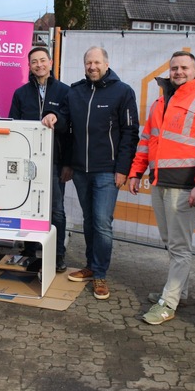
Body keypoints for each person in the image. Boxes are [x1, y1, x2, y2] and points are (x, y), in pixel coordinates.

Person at [128, 51, 195, 324]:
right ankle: (179, 291)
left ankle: (168, 302)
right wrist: (136, 172)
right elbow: (147, 141)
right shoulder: (160, 101)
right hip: (161, 182)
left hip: (186, 187)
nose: (178, 72)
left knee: (180, 247)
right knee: (170, 243)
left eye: (184, 67)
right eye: (174, 67)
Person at [58, 46, 139, 300]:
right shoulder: (76, 92)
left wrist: (123, 168)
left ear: (106, 63)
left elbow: (130, 133)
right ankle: (91, 266)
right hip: (81, 170)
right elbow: (67, 130)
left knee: (102, 222)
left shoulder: (123, 91)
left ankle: (101, 273)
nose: (92, 67)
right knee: (90, 220)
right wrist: (69, 162)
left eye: (96, 62)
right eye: (88, 63)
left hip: (107, 170)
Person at [9, 47, 70, 272]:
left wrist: (67, 164)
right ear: (29, 66)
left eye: (42, 60)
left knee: (56, 211)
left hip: (54, 161)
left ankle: (57, 255)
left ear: (51, 63)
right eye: (34, 62)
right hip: (28, 163)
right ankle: (28, 251)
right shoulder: (21, 93)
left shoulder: (65, 92)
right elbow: (14, 127)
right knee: (27, 207)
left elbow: (69, 128)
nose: (39, 65)